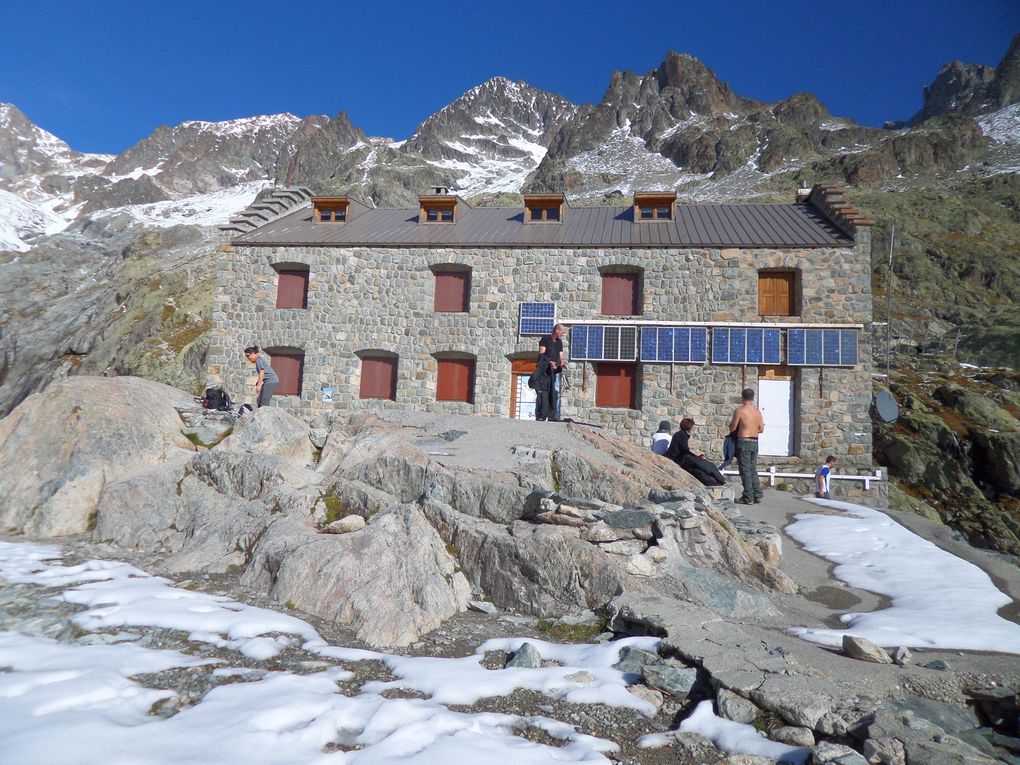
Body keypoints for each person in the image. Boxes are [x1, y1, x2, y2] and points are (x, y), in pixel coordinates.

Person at [729, 388, 765, 504]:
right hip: (755, 441)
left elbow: (733, 427)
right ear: (753, 397)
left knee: (745, 469)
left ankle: (748, 496)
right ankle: (757, 493)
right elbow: (761, 429)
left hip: (744, 440)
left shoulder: (740, 411)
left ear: (742, 397)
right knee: (752, 468)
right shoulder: (757, 412)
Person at [666, 418, 726, 486]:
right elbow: (684, 450)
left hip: (680, 458)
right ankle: (720, 480)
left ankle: (717, 481)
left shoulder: (680, 434)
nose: (692, 428)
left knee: (703, 466)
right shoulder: (682, 435)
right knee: (706, 465)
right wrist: (695, 456)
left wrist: (695, 456)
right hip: (680, 458)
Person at [535, 323, 567, 421]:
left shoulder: (559, 342)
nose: (563, 334)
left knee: (554, 392)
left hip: (555, 372)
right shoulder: (545, 339)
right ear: (557, 331)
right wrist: (549, 362)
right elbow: (541, 355)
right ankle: (541, 415)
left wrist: (562, 363)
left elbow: (561, 356)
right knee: (543, 392)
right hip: (544, 371)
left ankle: (552, 415)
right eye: (562, 332)